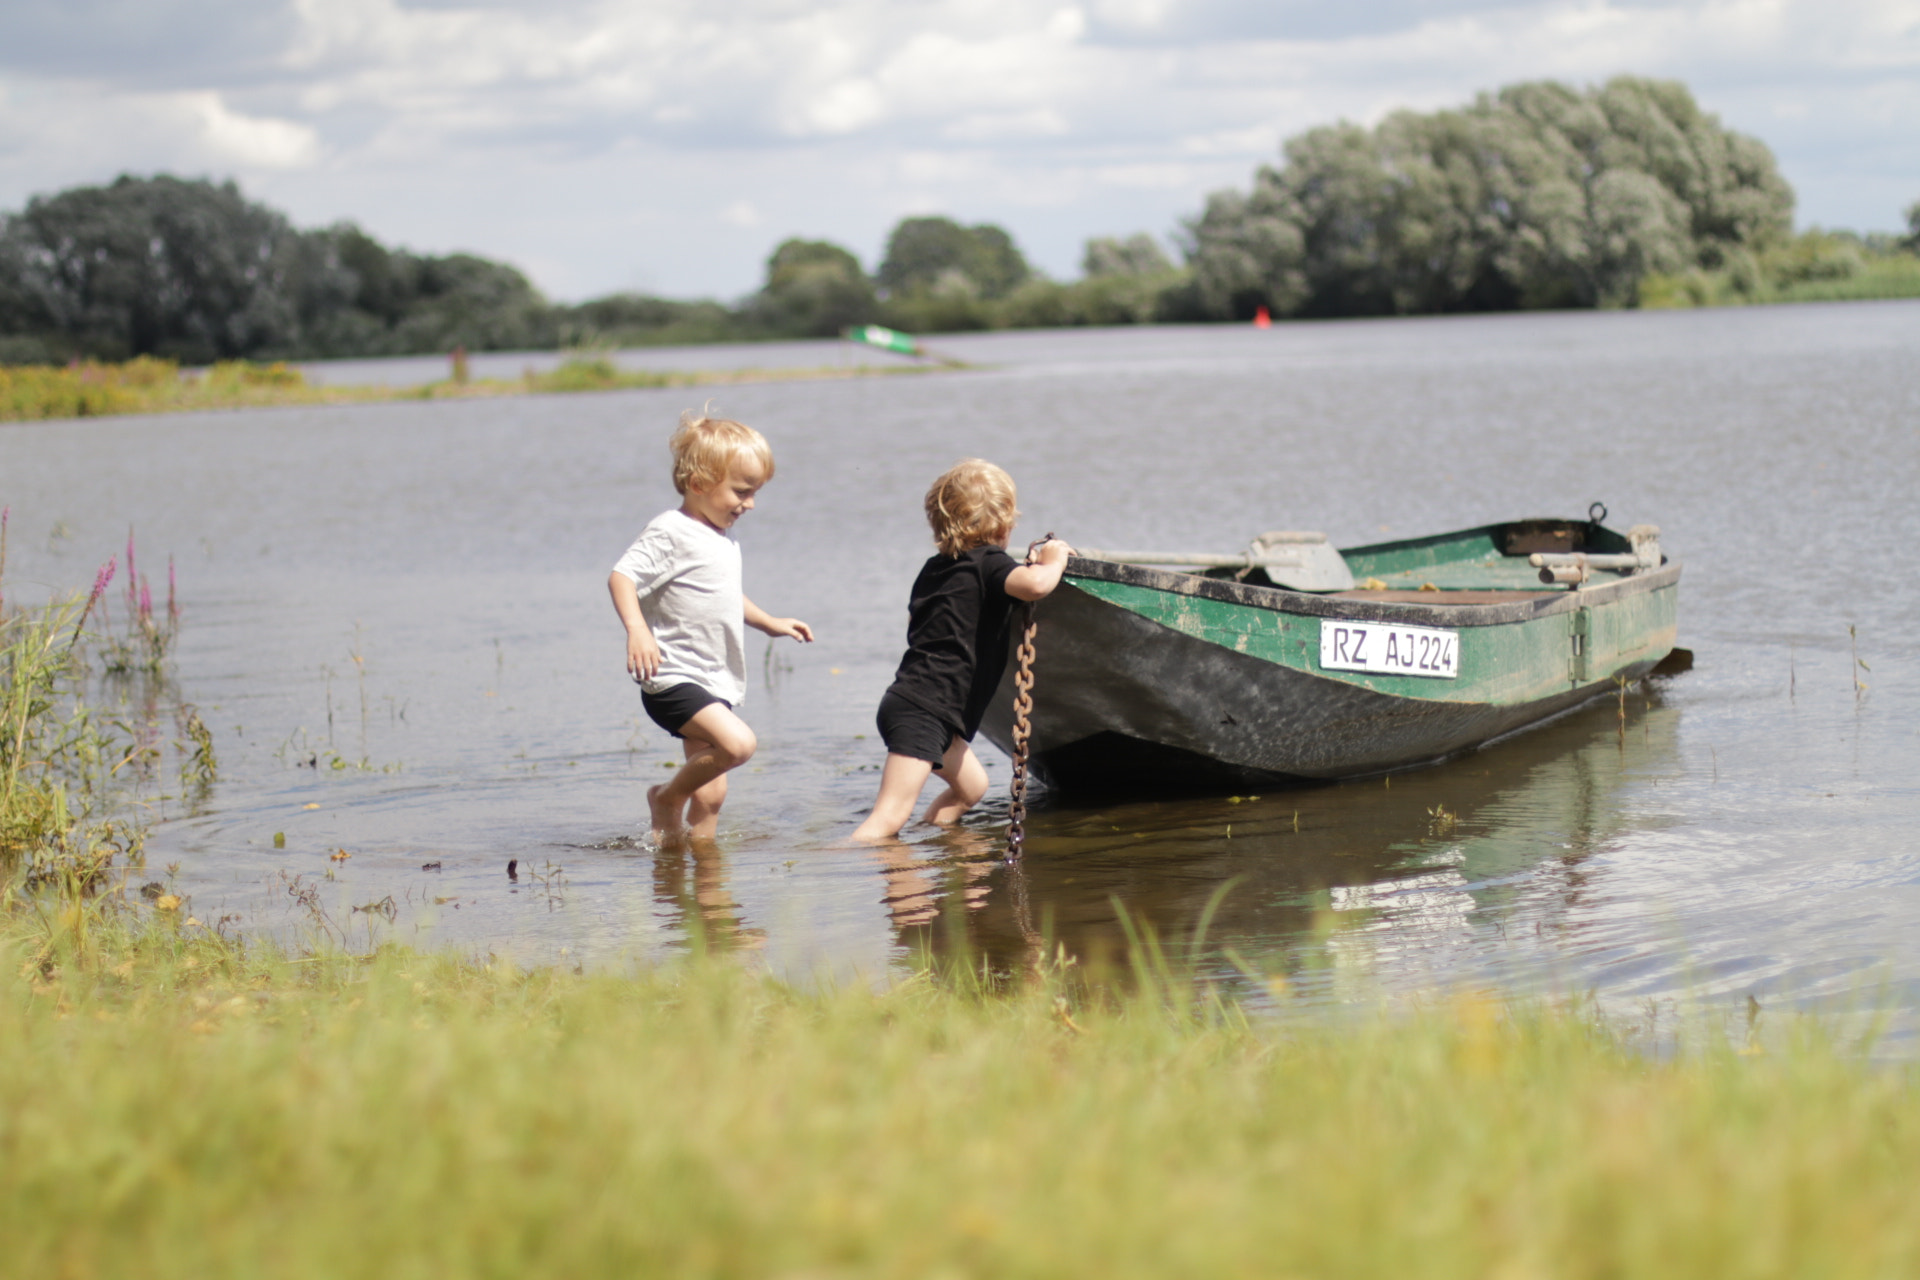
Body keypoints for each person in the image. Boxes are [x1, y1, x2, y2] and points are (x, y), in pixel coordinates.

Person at [608, 409, 813, 844]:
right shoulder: (671, 530)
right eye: (742, 491)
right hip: (672, 679)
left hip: (712, 681)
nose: (750, 503)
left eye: (755, 492)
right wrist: (637, 630)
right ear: (699, 483)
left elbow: (723, 596)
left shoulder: (720, 538)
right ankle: (665, 799)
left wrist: (769, 622)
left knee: (712, 795)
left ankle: (694, 868)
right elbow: (622, 577)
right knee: (738, 746)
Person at [851, 458, 1071, 843]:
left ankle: (939, 845)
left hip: (916, 704)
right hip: (925, 710)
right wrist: (1055, 559)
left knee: (972, 789)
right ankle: (828, 863)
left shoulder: (935, 569)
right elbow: (1036, 586)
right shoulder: (990, 564)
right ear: (1005, 525)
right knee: (887, 819)